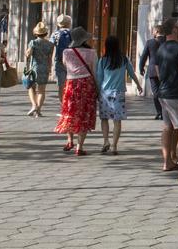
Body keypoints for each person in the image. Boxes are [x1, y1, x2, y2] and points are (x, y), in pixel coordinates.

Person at [95, 35, 141, 155]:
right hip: (119, 93)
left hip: (105, 93)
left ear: (107, 46)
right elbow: (131, 73)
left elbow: (99, 78)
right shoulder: (123, 59)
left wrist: (96, 92)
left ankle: (106, 141)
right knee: (117, 120)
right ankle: (114, 146)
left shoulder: (103, 60)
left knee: (104, 118)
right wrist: (138, 85)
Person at [154, 17, 178, 171]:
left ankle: (168, 161)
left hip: (163, 93)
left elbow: (158, 72)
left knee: (168, 127)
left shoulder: (160, 48)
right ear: (174, 30)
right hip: (177, 93)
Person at [56, 27, 99, 155]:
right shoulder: (91, 53)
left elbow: (65, 66)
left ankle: (70, 140)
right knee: (84, 114)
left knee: (69, 111)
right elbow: (95, 71)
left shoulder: (66, 52)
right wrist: (98, 87)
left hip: (71, 83)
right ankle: (79, 147)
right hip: (86, 84)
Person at [25, 22, 54, 117]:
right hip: (44, 67)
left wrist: (28, 52)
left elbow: (28, 54)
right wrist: (49, 68)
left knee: (31, 87)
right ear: (46, 33)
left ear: (36, 33)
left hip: (34, 67)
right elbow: (50, 58)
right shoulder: (50, 44)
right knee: (41, 90)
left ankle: (34, 105)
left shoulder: (33, 42)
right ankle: (38, 110)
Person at [138, 25, 166, 120]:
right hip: (165, 71)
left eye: (153, 31)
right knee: (165, 91)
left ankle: (159, 112)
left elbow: (143, 56)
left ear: (157, 31)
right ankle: (165, 112)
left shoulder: (150, 42)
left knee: (156, 92)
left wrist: (141, 68)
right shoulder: (167, 41)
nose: (152, 32)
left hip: (153, 71)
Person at [49, 15, 73, 102]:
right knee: (71, 83)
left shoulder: (55, 34)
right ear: (69, 23)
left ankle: (63, 104)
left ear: (59, 24)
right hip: (72, 61)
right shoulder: (72, 33)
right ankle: (69, 102)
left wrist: (49, 62)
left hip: (59, 60)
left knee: (61, 85)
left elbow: (50, 47)